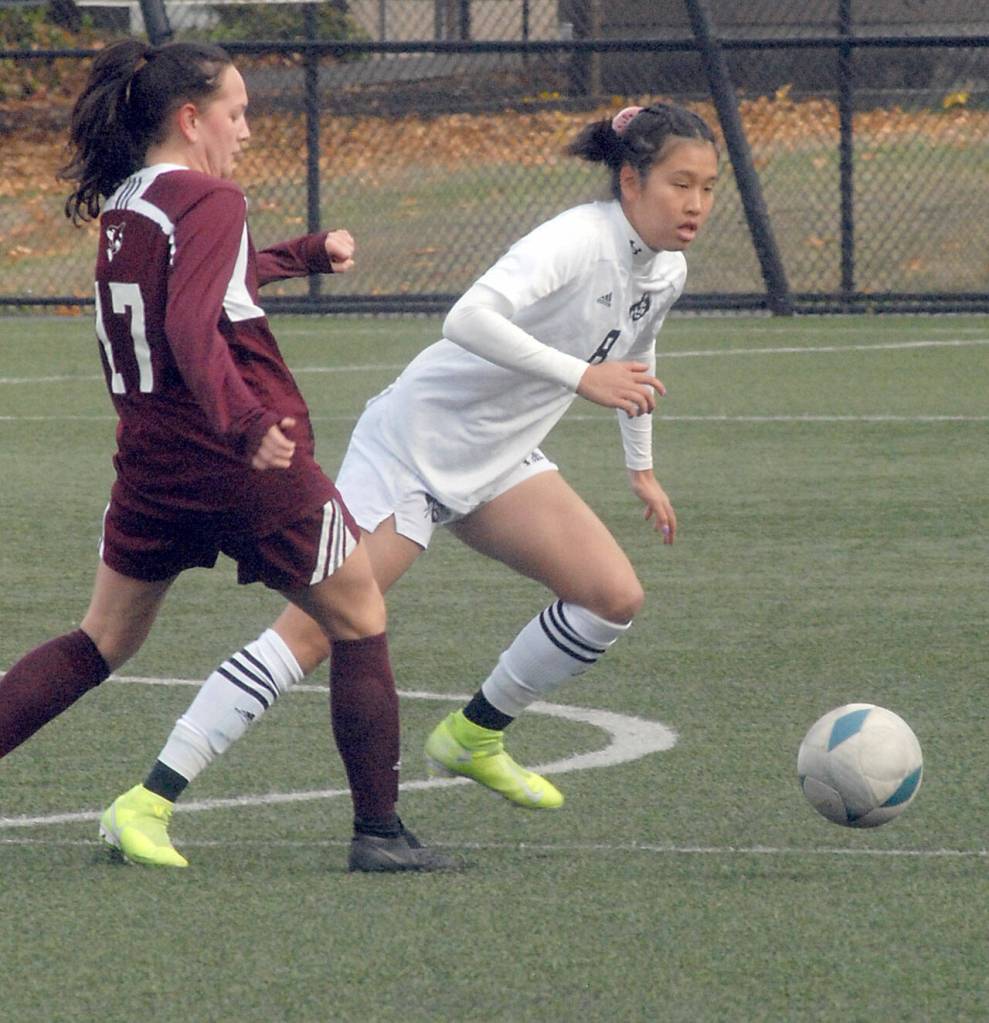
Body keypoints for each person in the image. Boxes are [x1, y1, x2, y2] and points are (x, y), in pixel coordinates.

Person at [103, 101, 720, 865]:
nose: (694, 204)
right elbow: (468, 318)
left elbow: (639, 356)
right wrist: (580, 377)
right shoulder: (576, 240)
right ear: (629, 180)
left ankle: (473, 733)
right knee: (316, 633)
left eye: (706, 188)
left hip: (499, 461)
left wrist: (641, 466)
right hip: (414, 452)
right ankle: (149, 797)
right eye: (678, 184)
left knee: (611, 597)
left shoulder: (666, 268)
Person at [0, 38, 453, 873]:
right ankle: (381, 834)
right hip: (238, 466)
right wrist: (247, 425)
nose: (246, 128)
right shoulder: (209, 197)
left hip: (150, 464)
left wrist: (307, 254)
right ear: (189, 117)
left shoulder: (131, 205)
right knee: (358, 617)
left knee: (102, 637)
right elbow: (190, 323)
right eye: (237, 112)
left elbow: (206, 283)